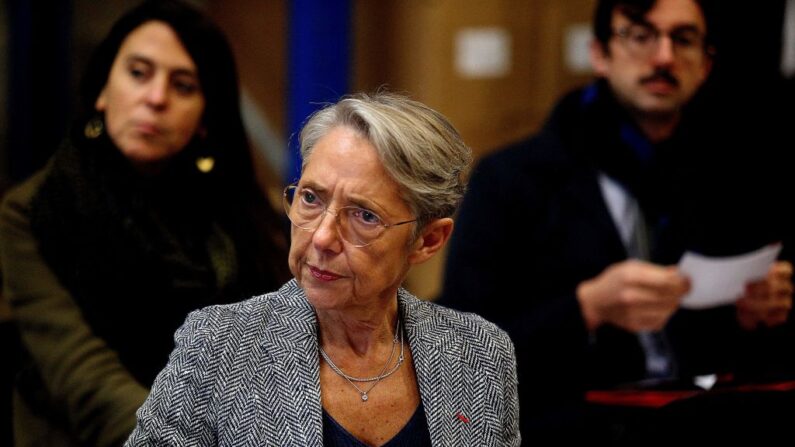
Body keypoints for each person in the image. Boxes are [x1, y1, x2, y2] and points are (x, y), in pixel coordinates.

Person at [440, 0, 794, 443]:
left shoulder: (735, 177)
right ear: (600, 55)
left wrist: (759, 315)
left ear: (705, 65)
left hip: (703, 416)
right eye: (641, 35)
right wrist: (586, 308)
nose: (663, 57)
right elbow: (455, 351)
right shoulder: (512, 179)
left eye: (682, 39)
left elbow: (749, 354)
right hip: (564, 420)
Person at [124, 92, 521, 446]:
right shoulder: (218, 345)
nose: (322, 238)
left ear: (428, 240)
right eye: (311, 198)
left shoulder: (480, 353)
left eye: (364, 216)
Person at [0, 1, 290, 445]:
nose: (155, 98)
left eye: (183, 85)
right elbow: (83, 376)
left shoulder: (243, 219)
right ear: (102, 89)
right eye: (138, 73)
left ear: (204, 120)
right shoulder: (32, 212)